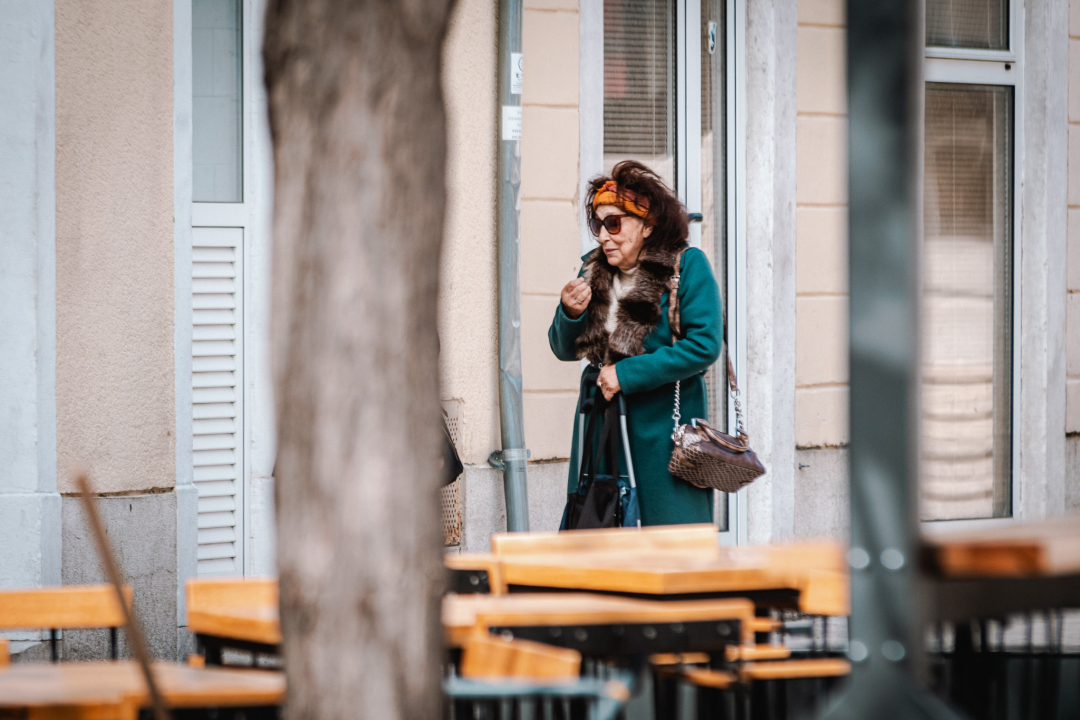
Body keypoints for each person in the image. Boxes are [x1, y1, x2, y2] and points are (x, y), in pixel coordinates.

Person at [548, 161, 723, 526]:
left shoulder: (685, 266)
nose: (602, 237)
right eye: (598, 224)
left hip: (661, 434)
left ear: (647, 224)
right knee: (601, 542)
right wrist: (569, 312)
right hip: (601, 432)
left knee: (667, 550)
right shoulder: (591, 272)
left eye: (614, 223)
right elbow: (564, 349)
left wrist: (627, 374)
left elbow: (704, 345)